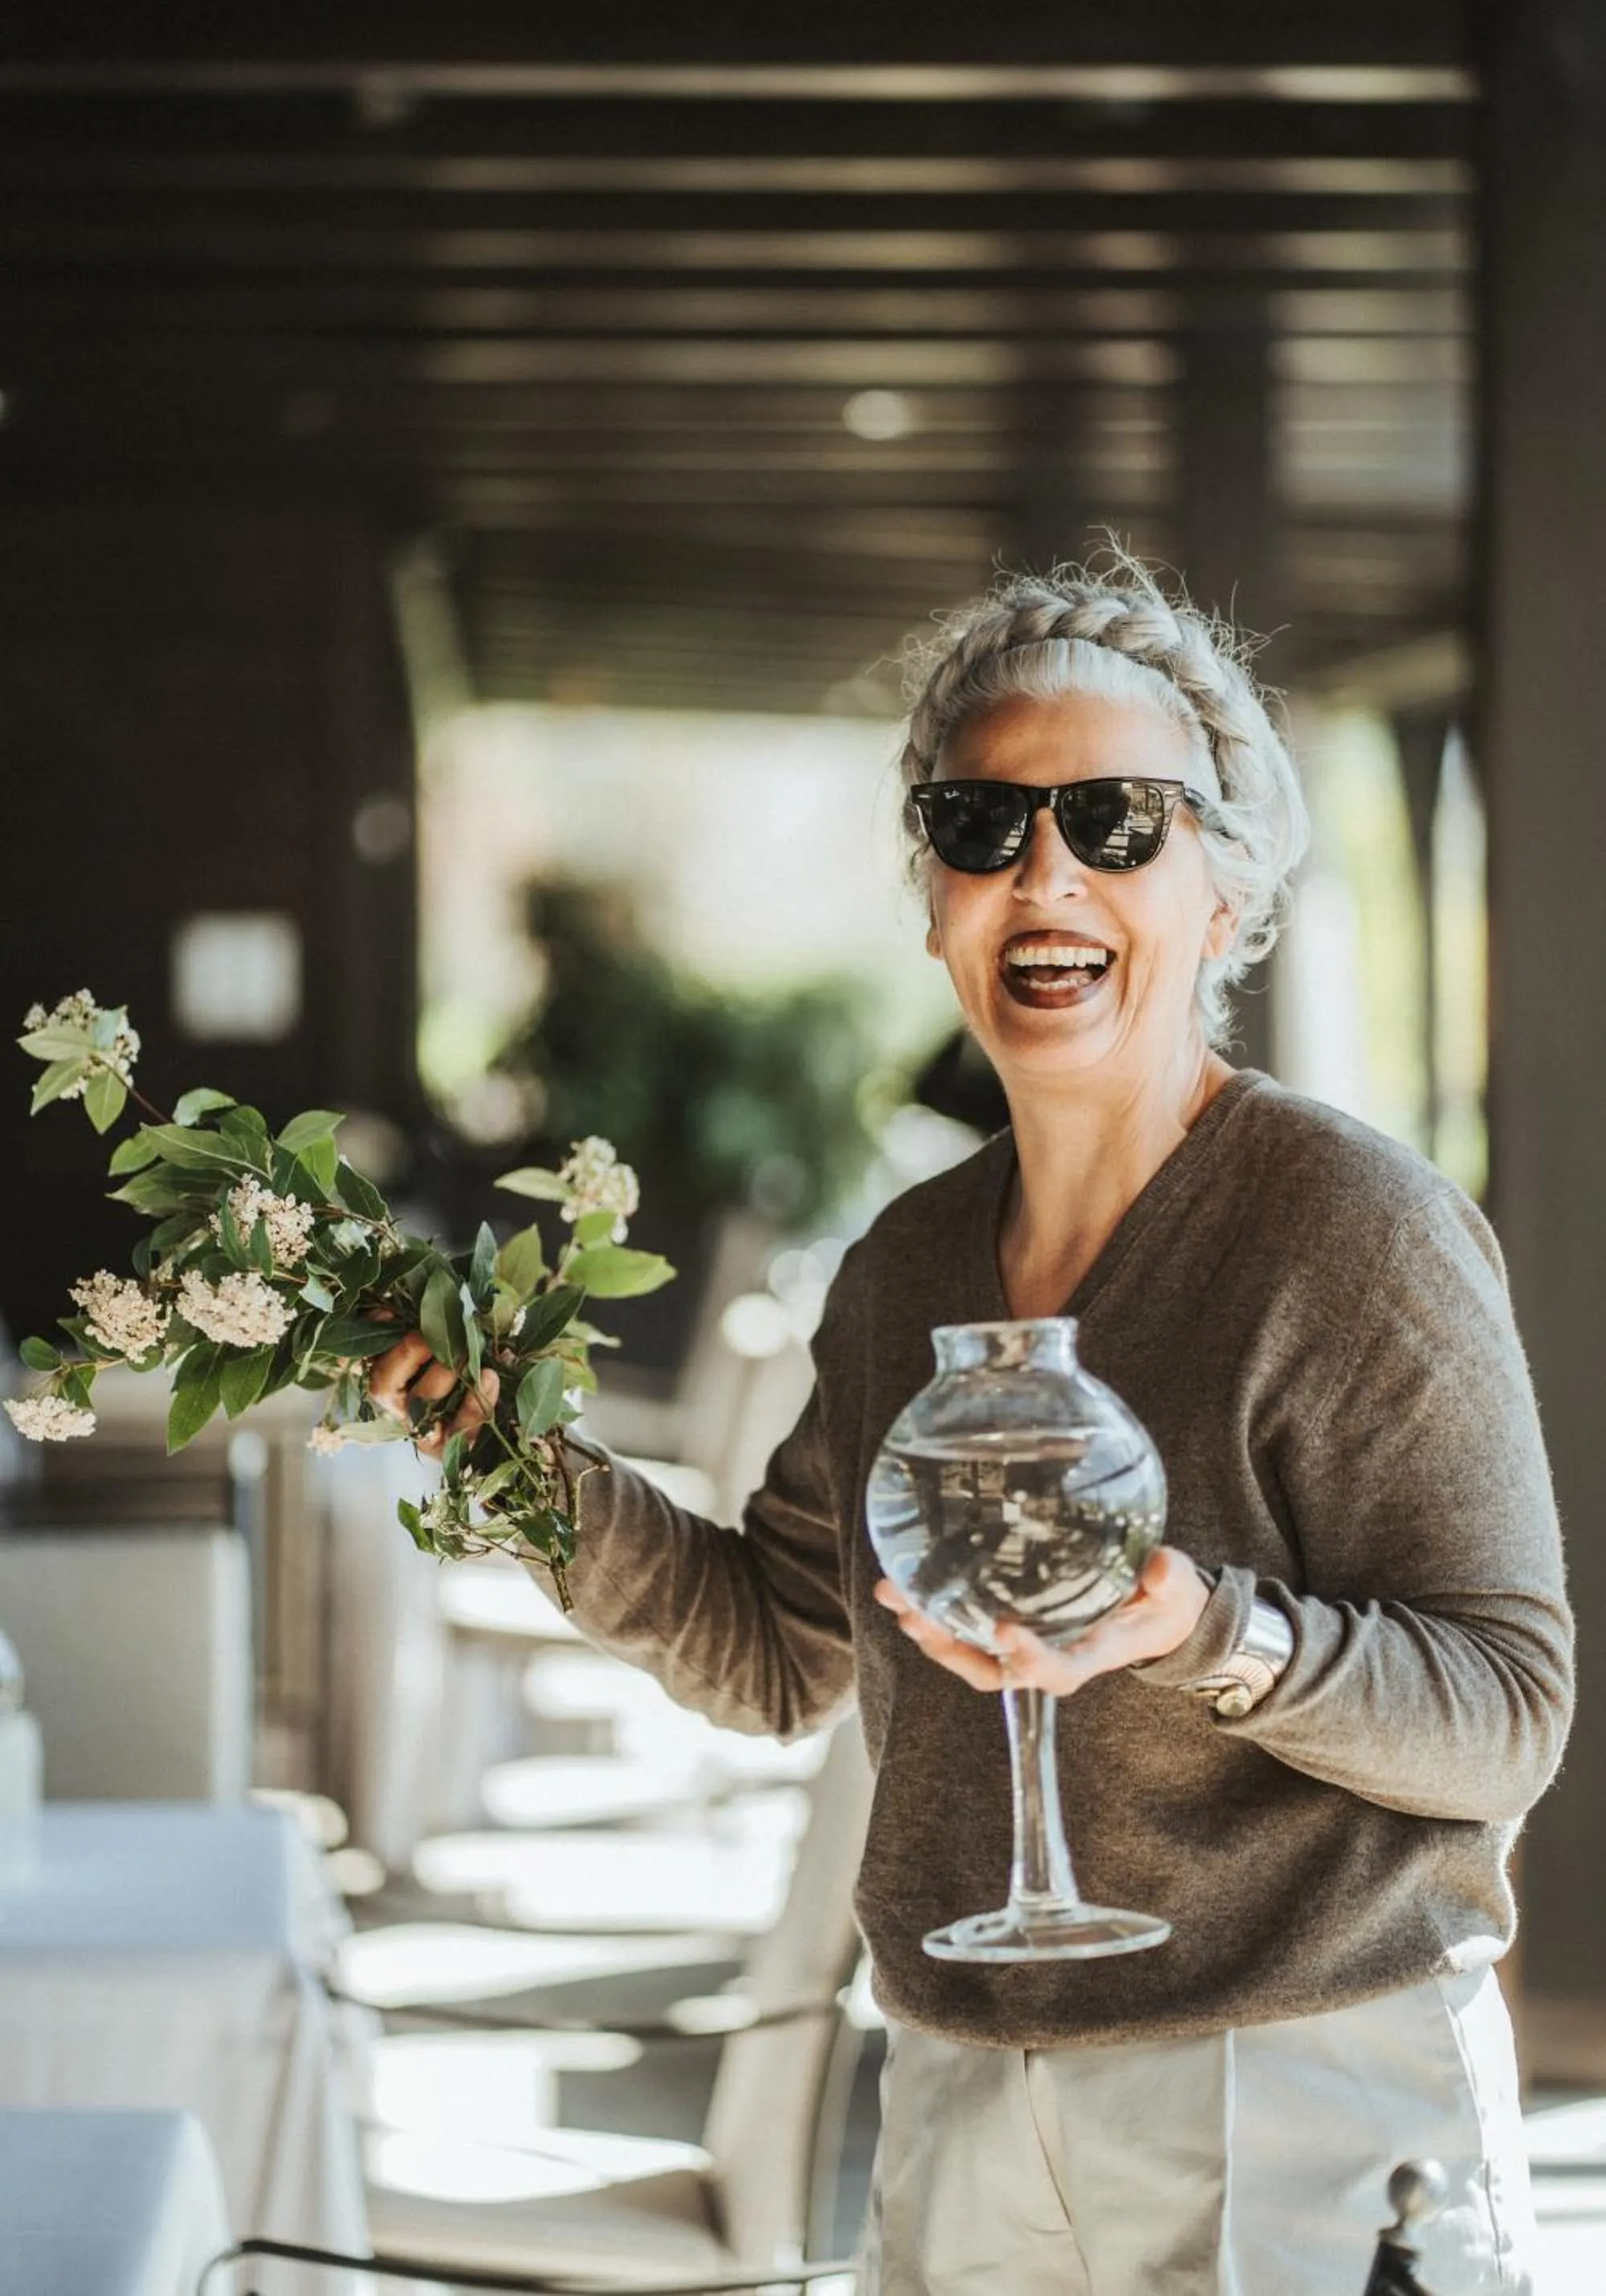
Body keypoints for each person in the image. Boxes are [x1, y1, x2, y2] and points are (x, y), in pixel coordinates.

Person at [372, 551, 1572, 2296]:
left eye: (1115, 822)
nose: (1048, 872)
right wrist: (509, 1467)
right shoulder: (905, 1267)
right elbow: (777, 1653)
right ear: (932, 898)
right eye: (984, 825)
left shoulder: (1343, 1228)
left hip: (1296, 2094)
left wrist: (1199, 1631)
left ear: (1223, 898)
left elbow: (1507, 1718)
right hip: (958, 2093)